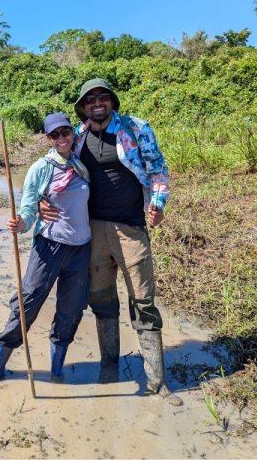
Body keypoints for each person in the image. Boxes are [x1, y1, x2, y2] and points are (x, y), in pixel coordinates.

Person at [40, 78, 183, 405]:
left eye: (102, 97)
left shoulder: (135, 128)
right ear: (83, 106)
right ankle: (109, 367)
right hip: (92, 232)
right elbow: (53, 171)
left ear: (112, 101)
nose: (97, 103)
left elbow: (158, 172)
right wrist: (40, 201)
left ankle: (157, 382)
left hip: (131, 228)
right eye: (90, 100)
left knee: (143, 302)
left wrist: (157, 205)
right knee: (102, 301)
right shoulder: (74, 136)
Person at [0, 112, 92, 389]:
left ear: (72, 133)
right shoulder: (40, 168)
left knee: (71, 309)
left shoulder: (81, 164)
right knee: (26, 303)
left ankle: (56, 370)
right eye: (55, 135)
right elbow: (28, 207)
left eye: (65, 132)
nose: (62, 138)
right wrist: (21, 223)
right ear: (48, 139)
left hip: (81, 249)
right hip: (49, 247)